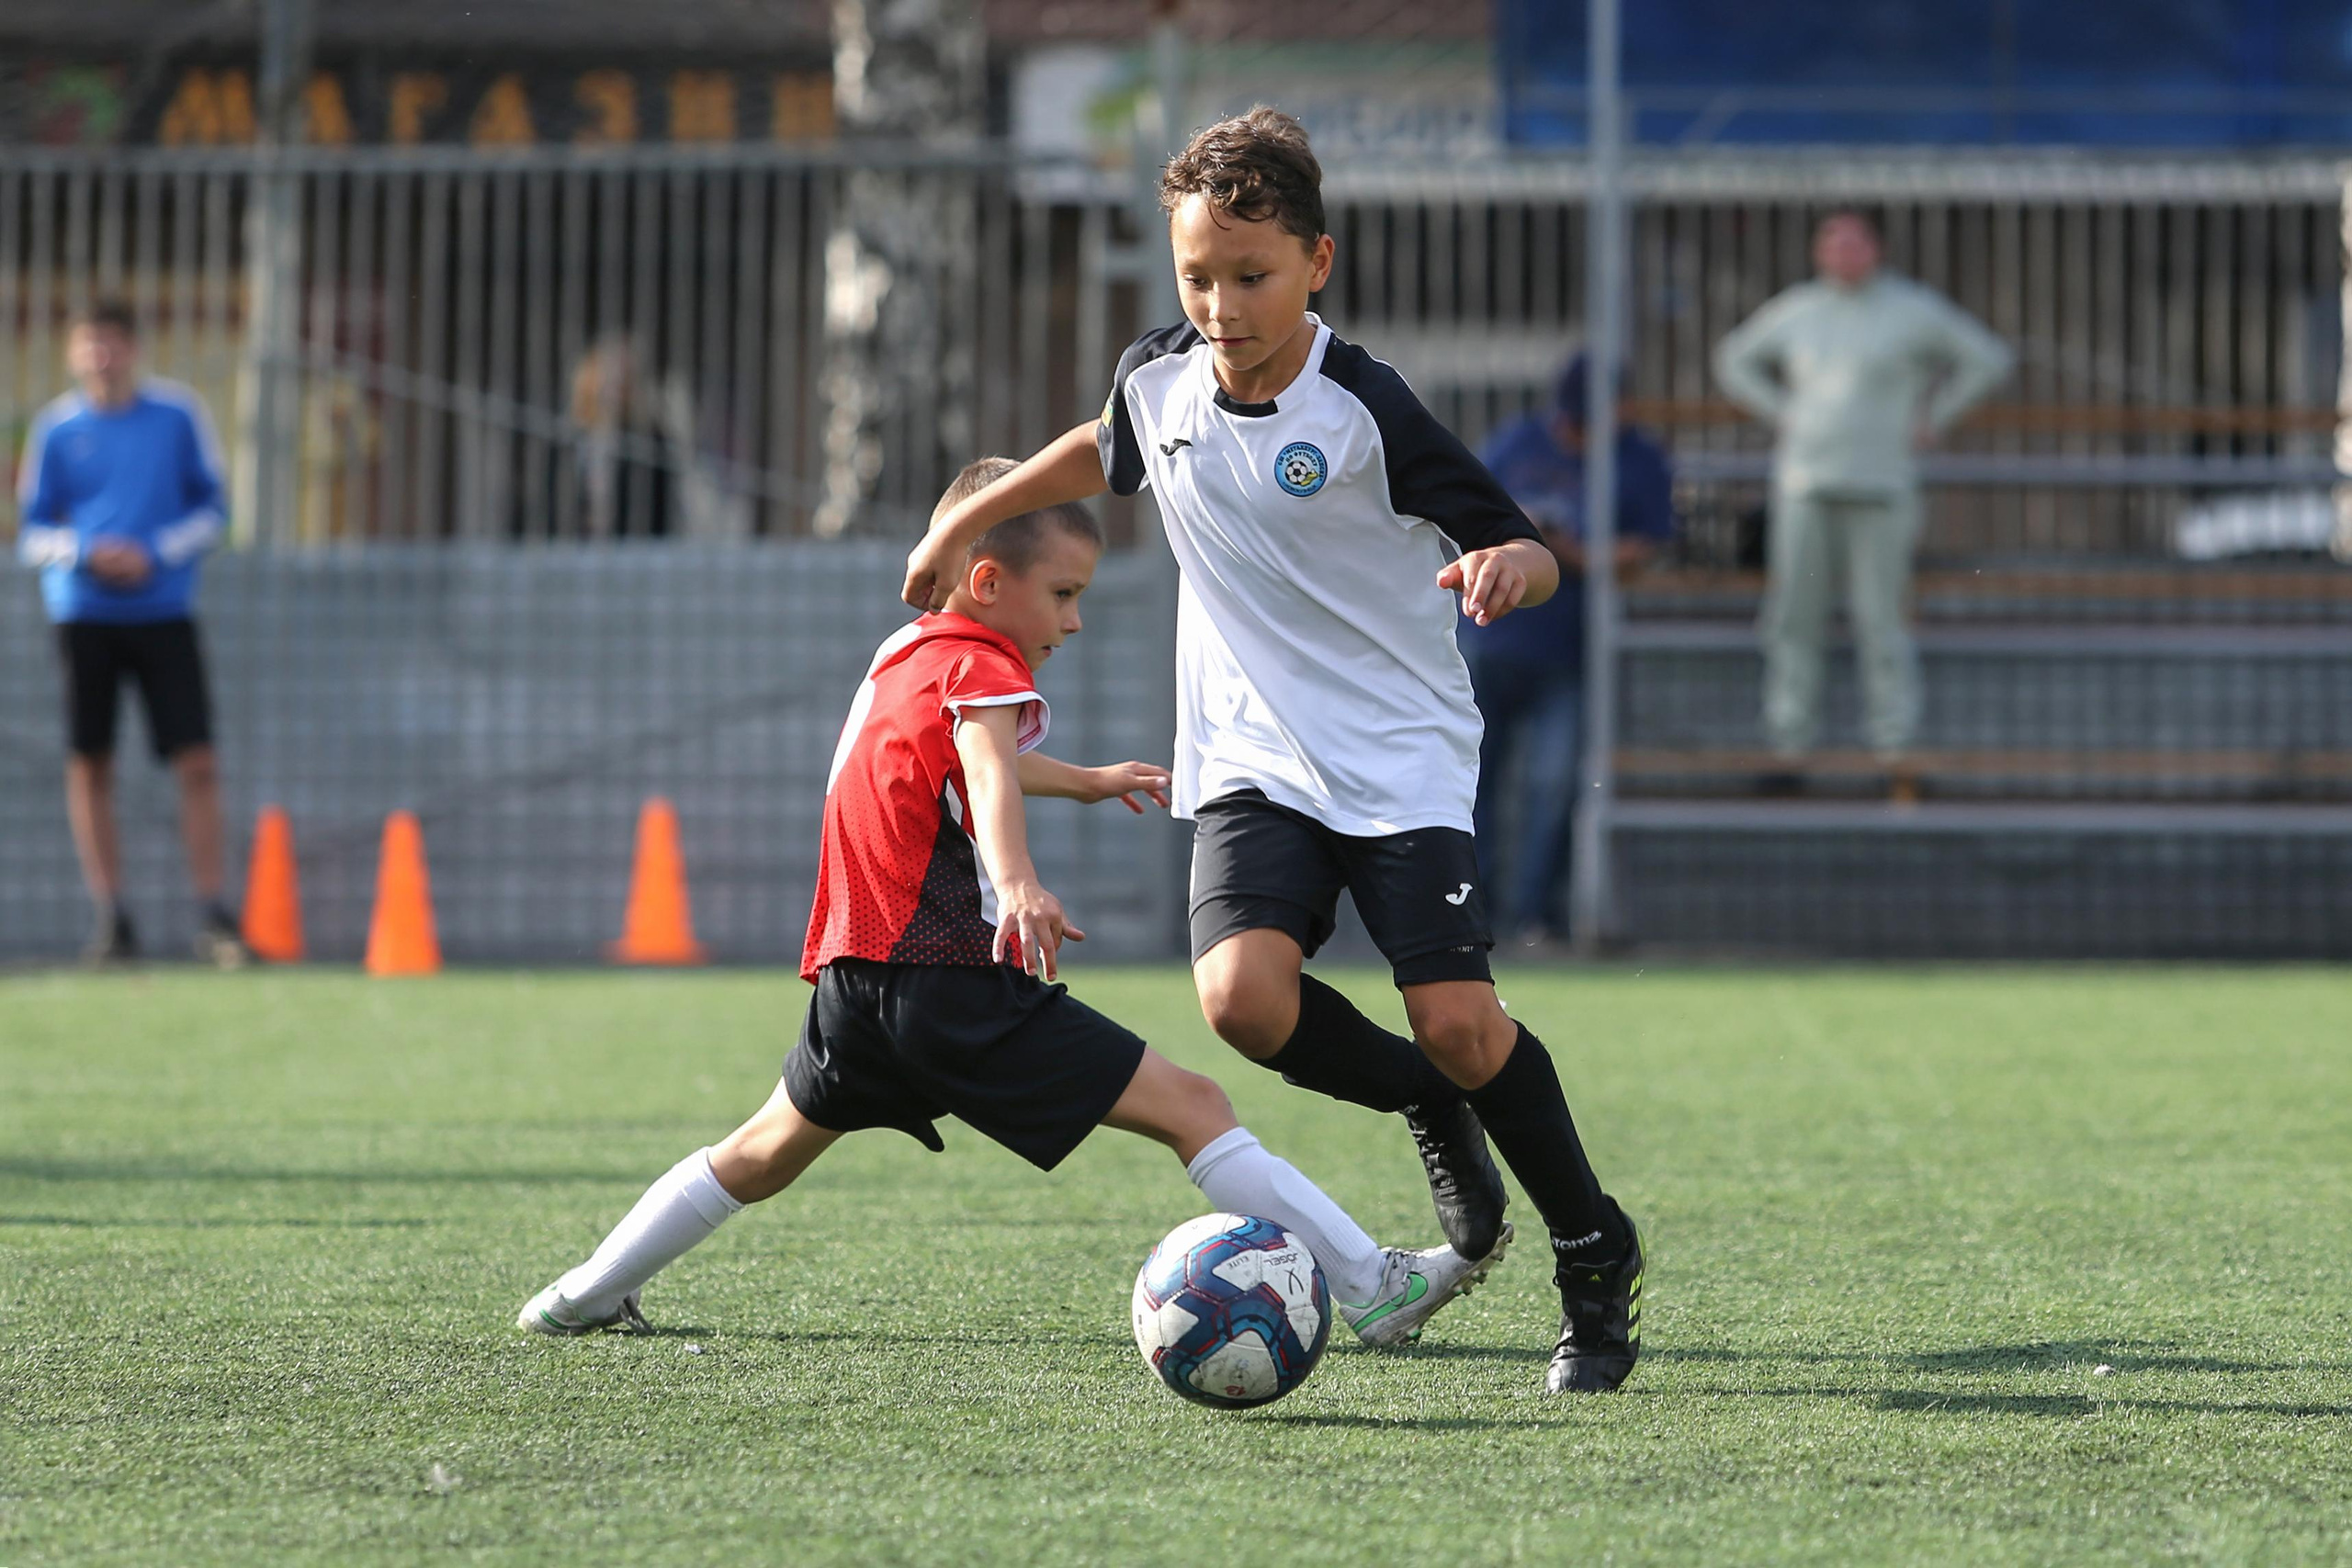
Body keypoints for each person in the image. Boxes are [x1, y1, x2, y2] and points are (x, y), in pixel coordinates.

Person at [901, 109, 1643, 1394]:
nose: (1222, 304)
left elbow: (1518, 537)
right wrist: (972, 510)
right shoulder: (1159, 378)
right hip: (1250, 751)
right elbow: (1104, 446)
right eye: (1199, 276)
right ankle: (1429, 1097)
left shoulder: (1367, 406)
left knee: (1466, 1021)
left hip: (1399, 748)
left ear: (1317, 263)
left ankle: (1593, 1244)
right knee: (1242, 999)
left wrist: (1506, 568)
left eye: (1251, 277)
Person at [518, 460, 1498, 1349]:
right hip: (947, 978)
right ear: (988, 585)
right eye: (1064, 595)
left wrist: (1083, 780)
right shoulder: (985, 664)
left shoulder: (906, 655)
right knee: (1195, 1106)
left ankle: (582, 1292)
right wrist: (1019, 881)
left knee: (762, 1151)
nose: (1072, 621)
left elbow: (955, 762)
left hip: (857, 978)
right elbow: (986, 771)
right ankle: (1371, 1286)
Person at [1713, 209, 2011, 792]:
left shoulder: (1912, 308)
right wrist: (1783, 411)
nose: (1844, 250)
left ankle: (1895, 753)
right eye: (1833, 239)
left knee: (1883, 622)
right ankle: (1788, 749)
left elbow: (1989, 359)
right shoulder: (1799, 308)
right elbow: (1734, 358)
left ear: (1876, 248)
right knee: (1792, 621)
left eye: (1855, 240)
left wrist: (1935, 415)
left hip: (1883, 488)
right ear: (1820, 250)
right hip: (1806, 486)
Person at [15, 299, 249, 967]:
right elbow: (32, 531)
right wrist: (86, 552)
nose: (103, 357)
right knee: (91, 761)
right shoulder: (56, 429)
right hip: (83, 614)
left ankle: (212, 914)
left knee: (196, 760)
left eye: (114, 343)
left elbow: (216, 510)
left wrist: (157, 549)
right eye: (91, 344)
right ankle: (111, 915)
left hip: (163, 611)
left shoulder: (178, 416)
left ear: (135, 349)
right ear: (73, 352)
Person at [1459, 354, 1675, 945]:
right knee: (1471, 784)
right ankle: (1470, 915)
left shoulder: (1639, 457)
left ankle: (1532, 915)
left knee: (1553, 786)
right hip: (1491, 638)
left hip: (1572, 649)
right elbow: (1466, 517)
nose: (1577, 435)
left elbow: (1652, 541)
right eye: (1574, 423)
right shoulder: (1518, 442)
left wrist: (1579, 554)